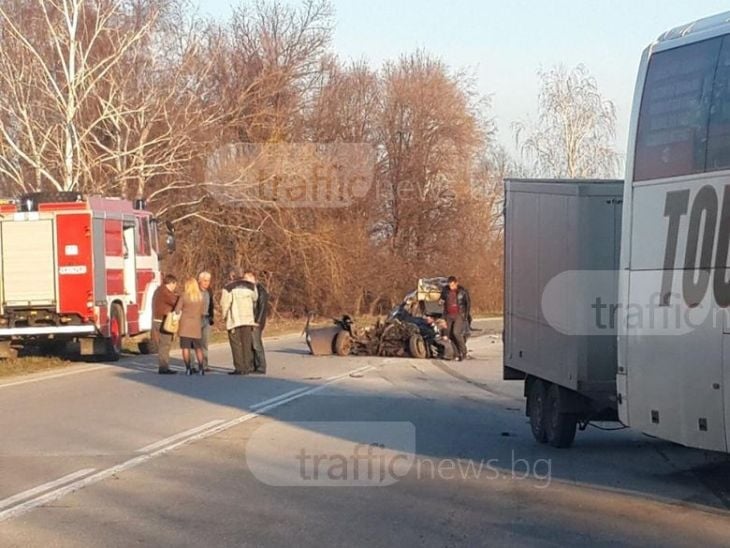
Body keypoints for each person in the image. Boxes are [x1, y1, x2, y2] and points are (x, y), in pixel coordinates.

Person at [220, 267, 258, 375]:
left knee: (236, 344)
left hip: (234, 319)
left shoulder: (228, 287)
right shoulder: (251, 286)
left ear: (232, 276)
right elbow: (255, 298)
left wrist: (225, 316)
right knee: (246, 343)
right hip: (248, 319)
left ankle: (239, 367)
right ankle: (247, 366)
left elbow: (225, 303)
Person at [176, 277, 206, 375]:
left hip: (185, 325)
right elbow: (202, 311)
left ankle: (188, 368)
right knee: (198, 348)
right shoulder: (200, 297)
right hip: (196, 325)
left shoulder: (184, 296)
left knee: (185, 348)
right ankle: (201, 368)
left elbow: (177, 310)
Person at [439, 276, 471, 361]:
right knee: (448, 335)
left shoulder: (462, 291)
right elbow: (442, 301)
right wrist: (441, 302)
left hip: (459, 314)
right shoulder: (445, 291)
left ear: (456, 283)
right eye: (449, 285)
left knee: (456, 332)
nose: (451, 286)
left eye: (452, 285)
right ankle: (456, 353)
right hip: (448, 315)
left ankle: (463, 351)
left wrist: (466, 316)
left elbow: (467, 304)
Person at [152, 274, 178, 374]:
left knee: (164, 344)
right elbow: (175, 301)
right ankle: (163, 367)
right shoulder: (165, 292)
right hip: (163, 322)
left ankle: (164, 366)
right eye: (174, 284)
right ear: (171, 283)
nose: (175, 287)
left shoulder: (158, 290)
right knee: (165, 345)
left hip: (157, 320)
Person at [250, 272, 269, 374]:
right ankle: (254, 365)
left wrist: (258, 321)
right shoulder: (252, 289)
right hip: (252, 320)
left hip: (257, 321)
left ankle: (261, 366)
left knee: (256, 344)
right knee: (251, 343)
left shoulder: (261, 290)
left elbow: (262, 307)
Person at [198, 271, 214, 372]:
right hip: (197, 318)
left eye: (208, 281)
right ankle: (192, 364)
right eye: (204, 281)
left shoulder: (209, 291)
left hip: (206, 318)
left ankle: (204, 365)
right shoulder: (195, 291)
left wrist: (212, 317)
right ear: (199, 281)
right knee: (194, 343)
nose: (206, 283)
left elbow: (211, 305)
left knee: (205, 343)